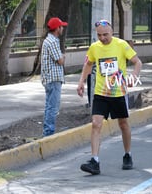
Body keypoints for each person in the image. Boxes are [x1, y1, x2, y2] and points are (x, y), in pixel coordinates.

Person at [76, 19, 142, 175]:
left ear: (112, 32)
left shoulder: (121, 45)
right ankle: (94, 161)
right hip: (100, 92)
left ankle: (127, 154)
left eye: (105, 34)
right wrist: (81, 82)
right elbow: (88, 64)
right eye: (99, 35)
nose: (103, 38)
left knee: (123, 124)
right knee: (96, 124)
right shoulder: (94, 47)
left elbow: (137, 62)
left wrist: (133, 76)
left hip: (118, 92)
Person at [41, 17, 68, 137]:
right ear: (57, 28)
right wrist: (63, 56)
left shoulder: (50, 40)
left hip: (50, 78)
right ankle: (49, 132)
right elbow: (60, 61)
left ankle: (47, 131)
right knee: (53, 107)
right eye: (61, 26)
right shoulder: (52, 42)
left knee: (49, 106)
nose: (62, 28)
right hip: (53, 78)